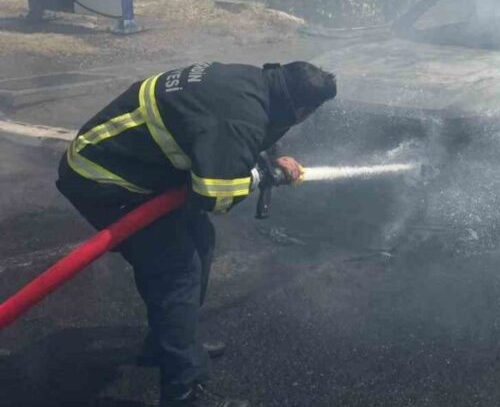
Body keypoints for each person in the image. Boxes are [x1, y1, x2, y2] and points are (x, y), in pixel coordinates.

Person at [56, 62, 337, 407]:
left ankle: (172, 342)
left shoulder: (257, 84)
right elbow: (215, 195)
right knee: (177, 270)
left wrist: (273, 157)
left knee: (200, 242)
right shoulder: (238, 116)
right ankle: (183, 391)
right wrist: (264, 176)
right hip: (104, 180)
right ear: (302, 109)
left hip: (136, 169)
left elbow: (245, 129)